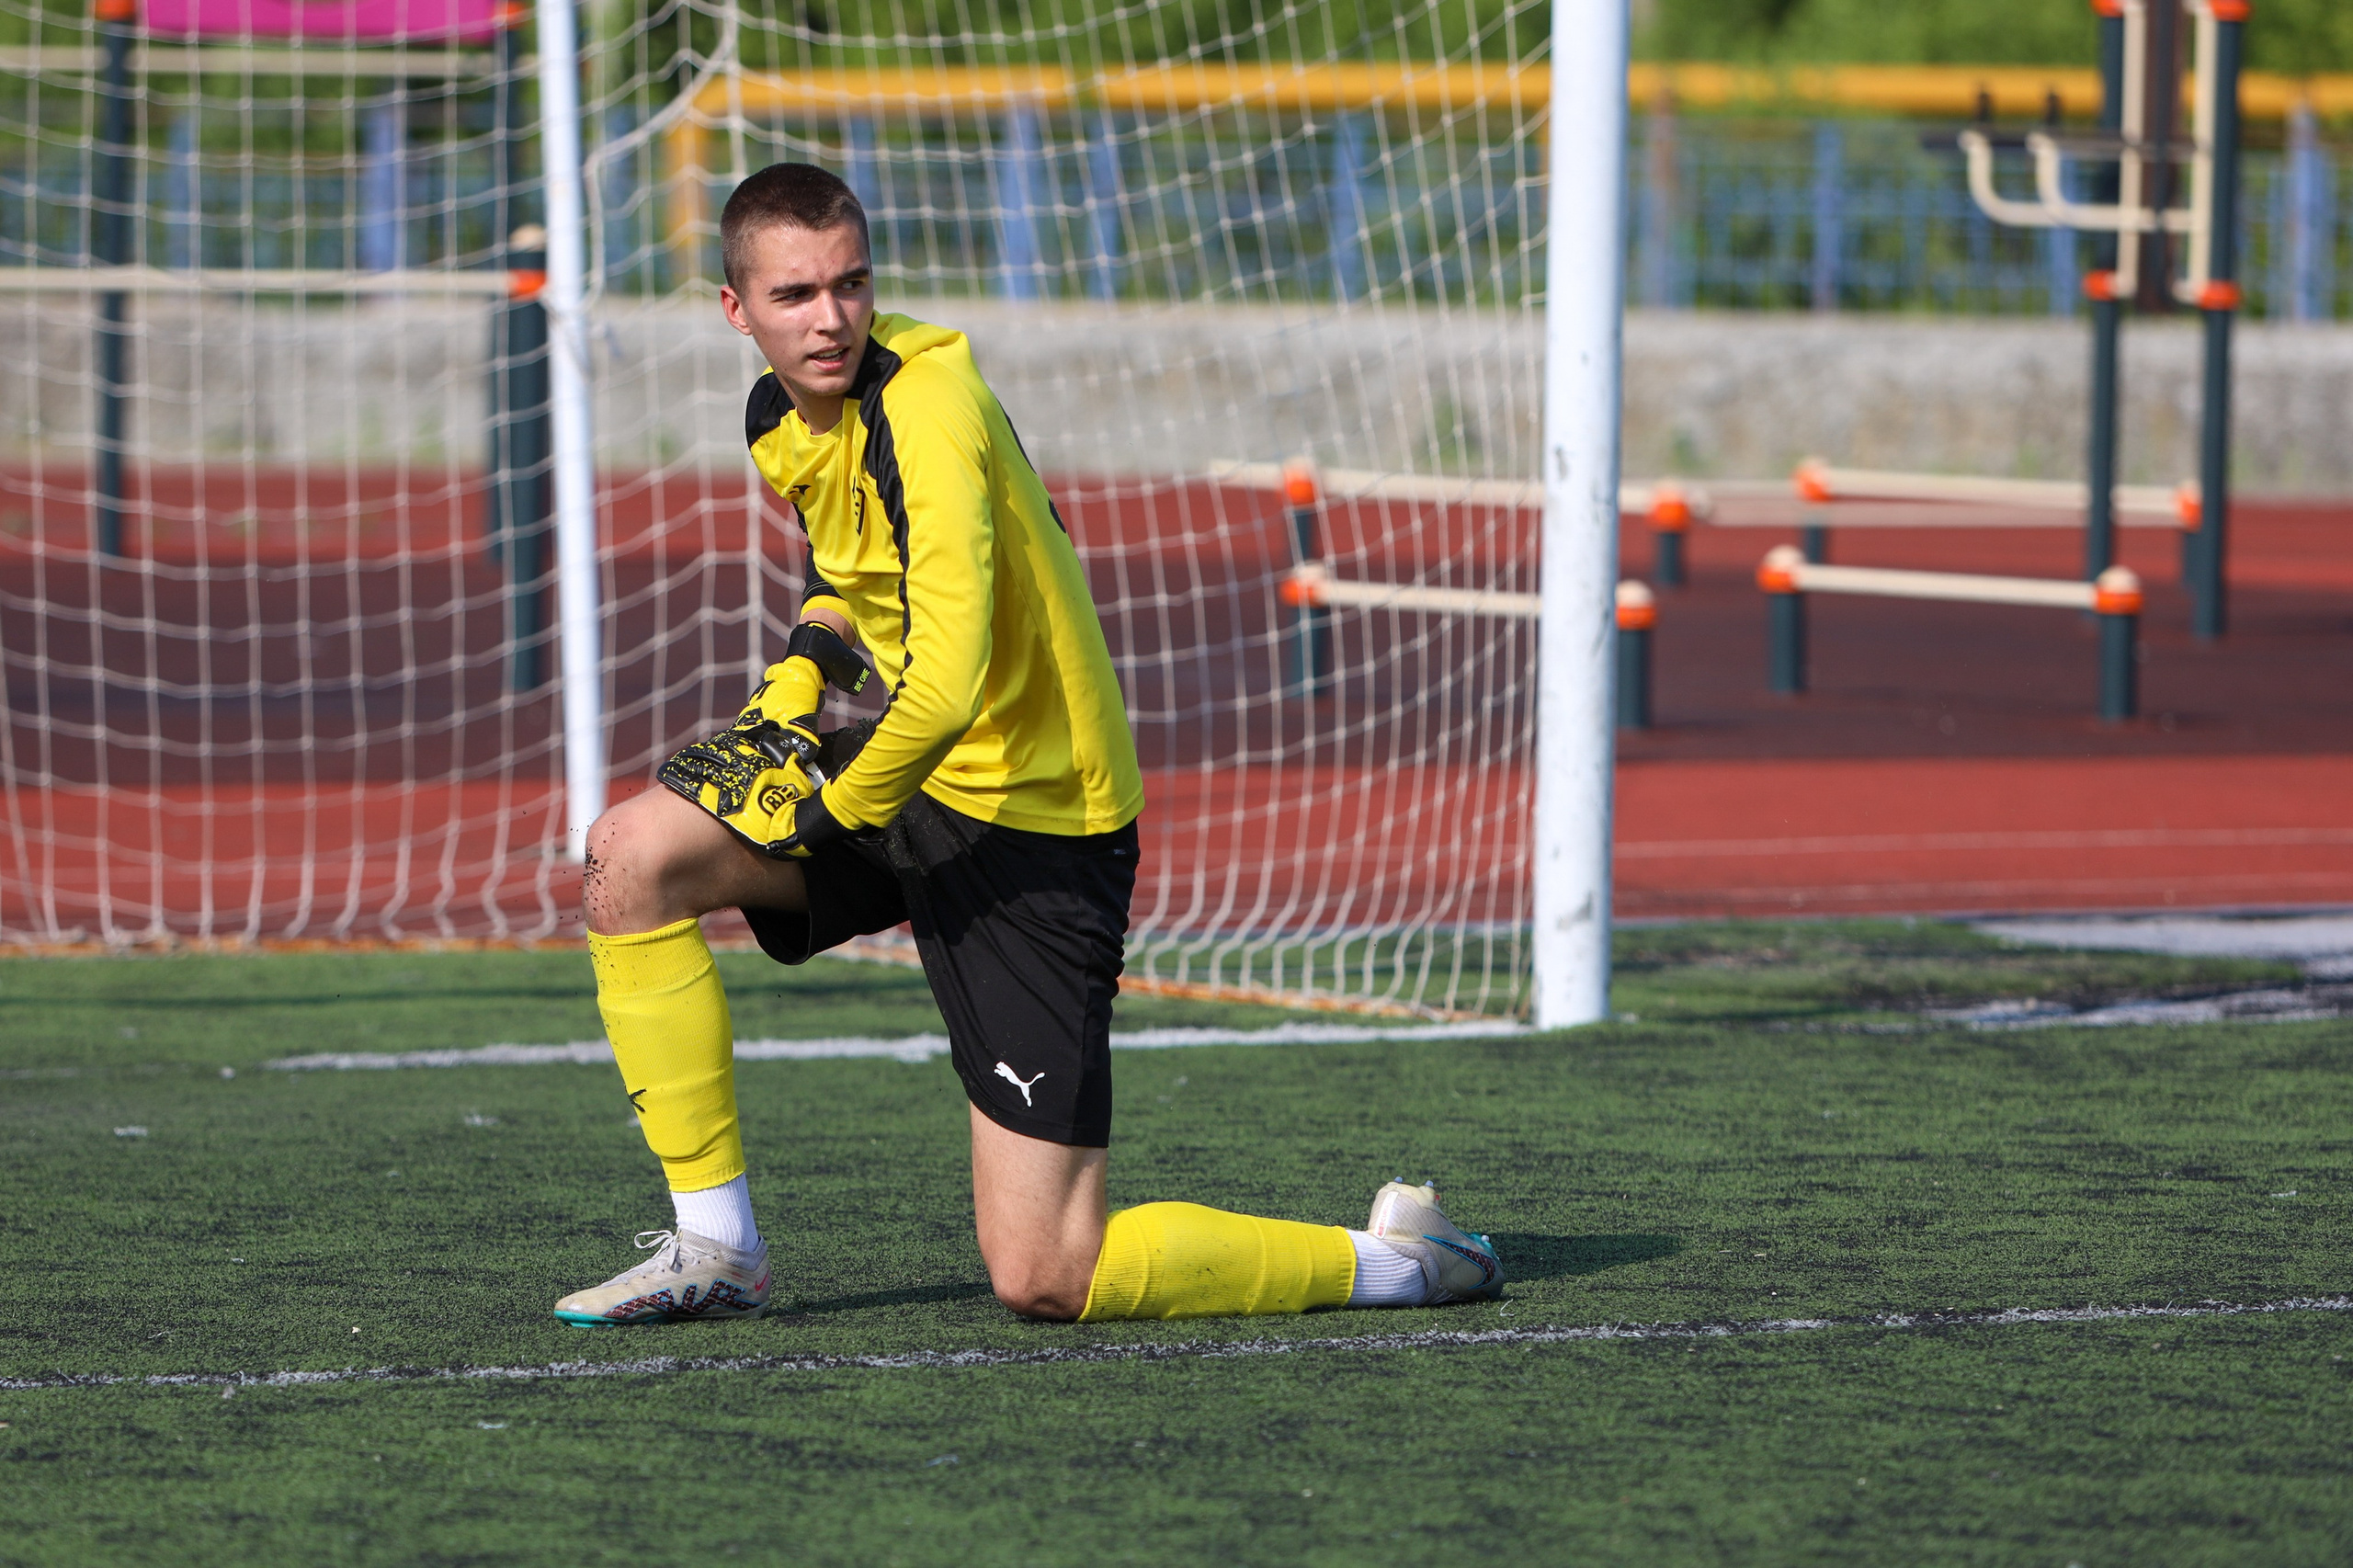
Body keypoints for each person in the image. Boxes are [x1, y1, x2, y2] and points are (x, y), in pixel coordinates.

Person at [552, 163, 1502, 1327]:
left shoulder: (929, 409)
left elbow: (946, 682)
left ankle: (1408, 1259)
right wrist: (798, 678)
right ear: (736, 310)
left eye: (851, 284)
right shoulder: (779, 415)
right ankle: (718, 1244)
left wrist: (831, 815)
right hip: (916, 769)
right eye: (795, 294)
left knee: (1049, 1272)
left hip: (1039, 820)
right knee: (629, 855)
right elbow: (850, 579)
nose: (831, 317)